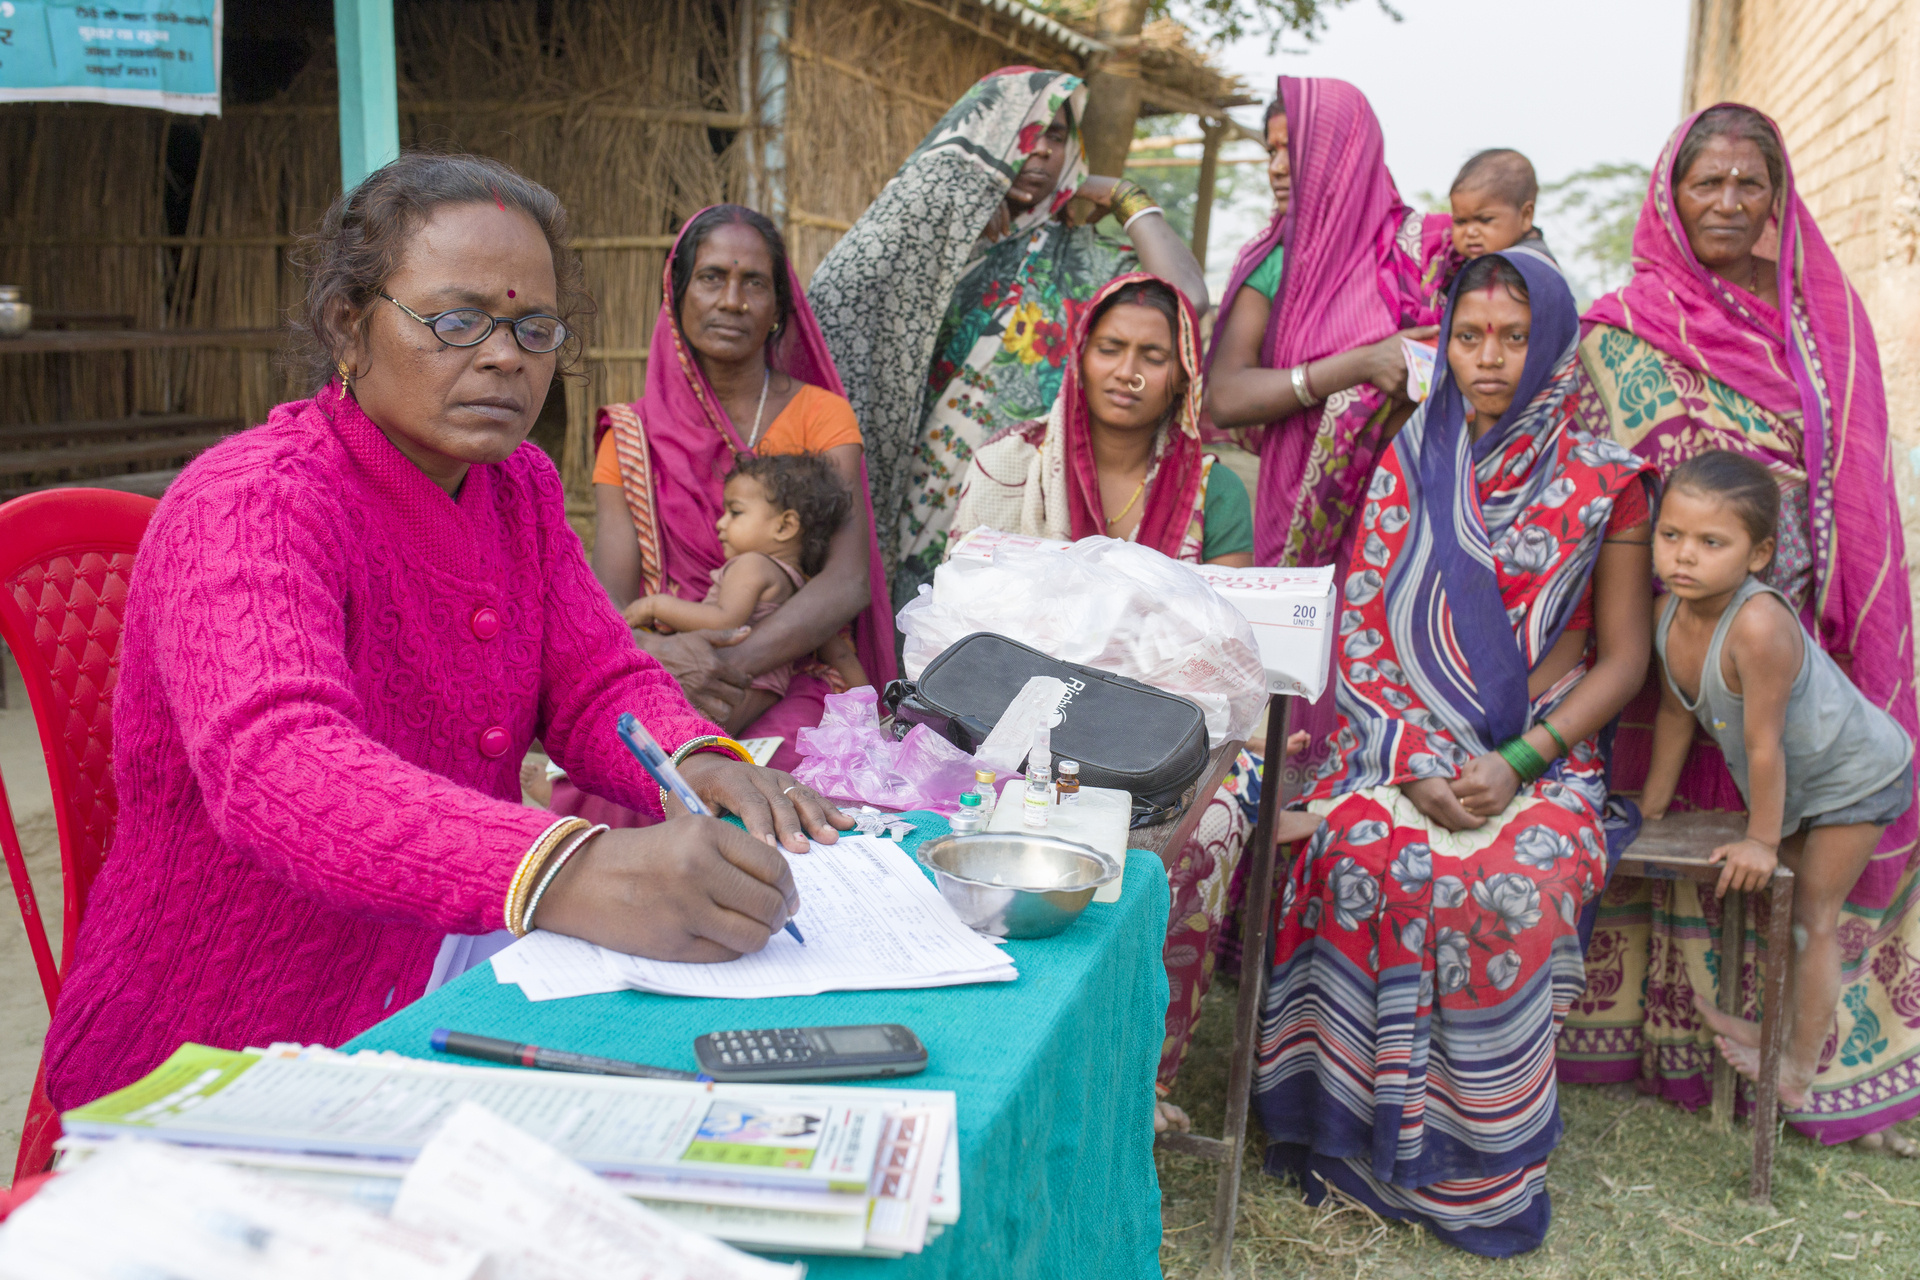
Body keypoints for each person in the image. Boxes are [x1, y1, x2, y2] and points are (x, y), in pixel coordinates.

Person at [40, 154, 849, 1111]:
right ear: (349, 325)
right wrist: (567, 870)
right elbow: (282, 768)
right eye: (456, 321)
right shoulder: (253, 502)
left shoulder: (519, 493)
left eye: (533, 327)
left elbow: (594, 680)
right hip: (221, 1050)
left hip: (430, 973)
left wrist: (700, 763)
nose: (506, 357)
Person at [1254, 248, 1655, 1256]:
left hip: (1545, 753)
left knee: (1505, 886)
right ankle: (1345, 1134)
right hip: (1399, 746)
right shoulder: (1413, 456)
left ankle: (1473, 1165)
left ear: (1552, 341)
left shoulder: (1606, 479)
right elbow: (1367, 633)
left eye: (1513, 337)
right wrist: (1414, 760)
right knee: (1355, 853)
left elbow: (1625, 659)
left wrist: (1519, 763)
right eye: (1469, 336)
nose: (1488, 358)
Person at [1558, 103, 1920, 1156]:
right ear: (1670, 194)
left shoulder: (1821, 319)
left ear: (1776, 197)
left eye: (1746, 185)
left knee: (1786, 838)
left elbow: (1853, 472)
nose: (1725, 202)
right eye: (1703, 183)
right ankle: (1651, 1035)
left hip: (1788, 630)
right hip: (1670, 610)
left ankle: (1805, 1061)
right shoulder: (1622, 326)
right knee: (1679, 793)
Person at [948, 273, 1297, 1134]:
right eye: (1111, 349)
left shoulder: (1215, 489)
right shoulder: (1009, 464)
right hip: (1012, 718)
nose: (1129, 372)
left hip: (1176, 735)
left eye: (1152, 356)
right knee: (976, 803)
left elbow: (1228, 654)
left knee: (1204, 830)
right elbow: (963, 620)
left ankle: (1136, 1074)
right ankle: (994, 1050)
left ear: (1182, 373)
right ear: (1080, 354)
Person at [809, 66, 1208, 608]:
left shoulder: (1084, 259)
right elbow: (835, 298)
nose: (1039, 151)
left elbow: (1186, 295)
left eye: (1057, 136)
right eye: (1025, 130)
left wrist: (1121, 194)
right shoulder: (935, 242)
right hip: (913, 497)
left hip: (1025, 504)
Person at [582, 205, 893, 780]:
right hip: (670, 673)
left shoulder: (821, 416)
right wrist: (670, 660)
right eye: (711, 277)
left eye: (754, 282)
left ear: (779, 308)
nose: (731, 300)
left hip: (791, 671)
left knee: (791, 787)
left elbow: (847, 582)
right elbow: (610, 601)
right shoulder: (631, 436)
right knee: (619, 792)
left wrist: (729, 666)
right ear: (676, 295)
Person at [1643, 450, 1914, 1110]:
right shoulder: (1667, 617)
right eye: (1671, 535)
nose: (1684, 556)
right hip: (1805, 785)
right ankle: (1777, 1032)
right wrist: (1646, 814)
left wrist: (1762, 841)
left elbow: (1764, 748)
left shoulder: (1760, 628)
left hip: (1857, 778)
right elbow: (1677, 714)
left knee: (1811, 919)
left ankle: (1794, 1071)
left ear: (1758, 555)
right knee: (1786, 914)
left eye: (1712, 542)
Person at [1203, 77, 1450, 795]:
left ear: (1344, 154)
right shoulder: (1271, 259)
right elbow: (1227, 392)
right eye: (1271, 151)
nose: (1279, 166)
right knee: (1295, 697)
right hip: (1300, 524)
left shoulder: (1421, 252)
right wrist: (1357, 365)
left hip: (1403, 525)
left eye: (1295, 149)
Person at [627, 452, 869, 734]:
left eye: (735, 512)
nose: (721, 523)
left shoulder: (751, 565)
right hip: (763, 696)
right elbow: (840, 656)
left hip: (724, 685)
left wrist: (656, 606)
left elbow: (724, 620)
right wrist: (873, 715)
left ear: (784, 526)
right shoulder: (804, 591)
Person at [1447, 148, 1551, 263]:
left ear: (1526, 216)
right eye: (1460, 222)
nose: (1470, 232)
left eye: (1485, 220)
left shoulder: (1511, 272)